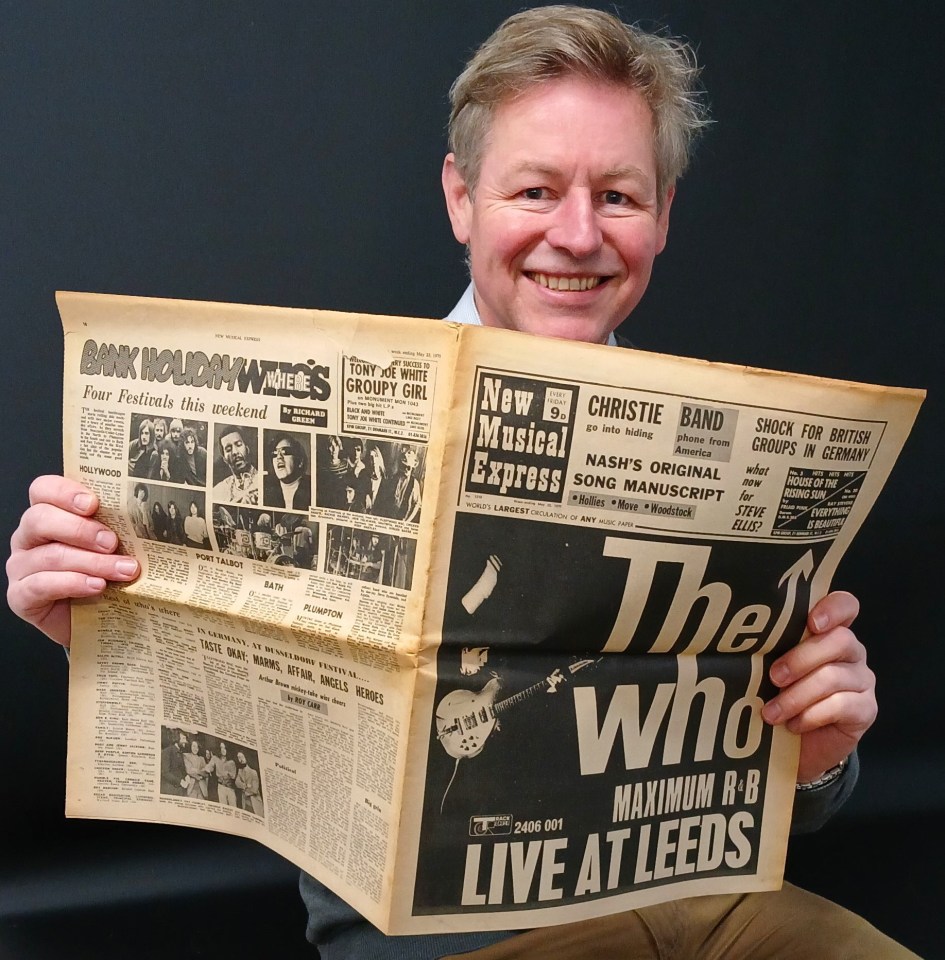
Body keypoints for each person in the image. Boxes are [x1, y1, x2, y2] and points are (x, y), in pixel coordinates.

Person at [3, 6, 913, 959]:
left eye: (617, 196)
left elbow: (779, 795)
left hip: (713, 912)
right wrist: (105, 636)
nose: (576, 235)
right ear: (460, 198)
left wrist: (815, 760)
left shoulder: (721, 447)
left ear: (664, 216)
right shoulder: (330, 429)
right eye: (534, 190)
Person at [212, 425, 259, 505]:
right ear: (224, 459)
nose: (234, 452)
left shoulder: (264, 481)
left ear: (247, 449)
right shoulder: (218, 491)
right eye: (228, 449)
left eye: (239, 444)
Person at [263, 433, 312, 510]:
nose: (279, 457)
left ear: (300, 461)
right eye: (275, 454)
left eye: (285, 451)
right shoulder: (266, 488)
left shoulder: (312, 487)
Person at [235, 751, 264, 816]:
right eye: (238, 758)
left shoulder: (253, 772)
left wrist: (244, 790)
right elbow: (237, 783)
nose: (240, 760)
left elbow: (254, 790)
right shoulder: (240, 772)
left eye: (242, 757)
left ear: (246, 757)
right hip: (245, 804)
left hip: (255, 804)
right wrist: (246, 786)